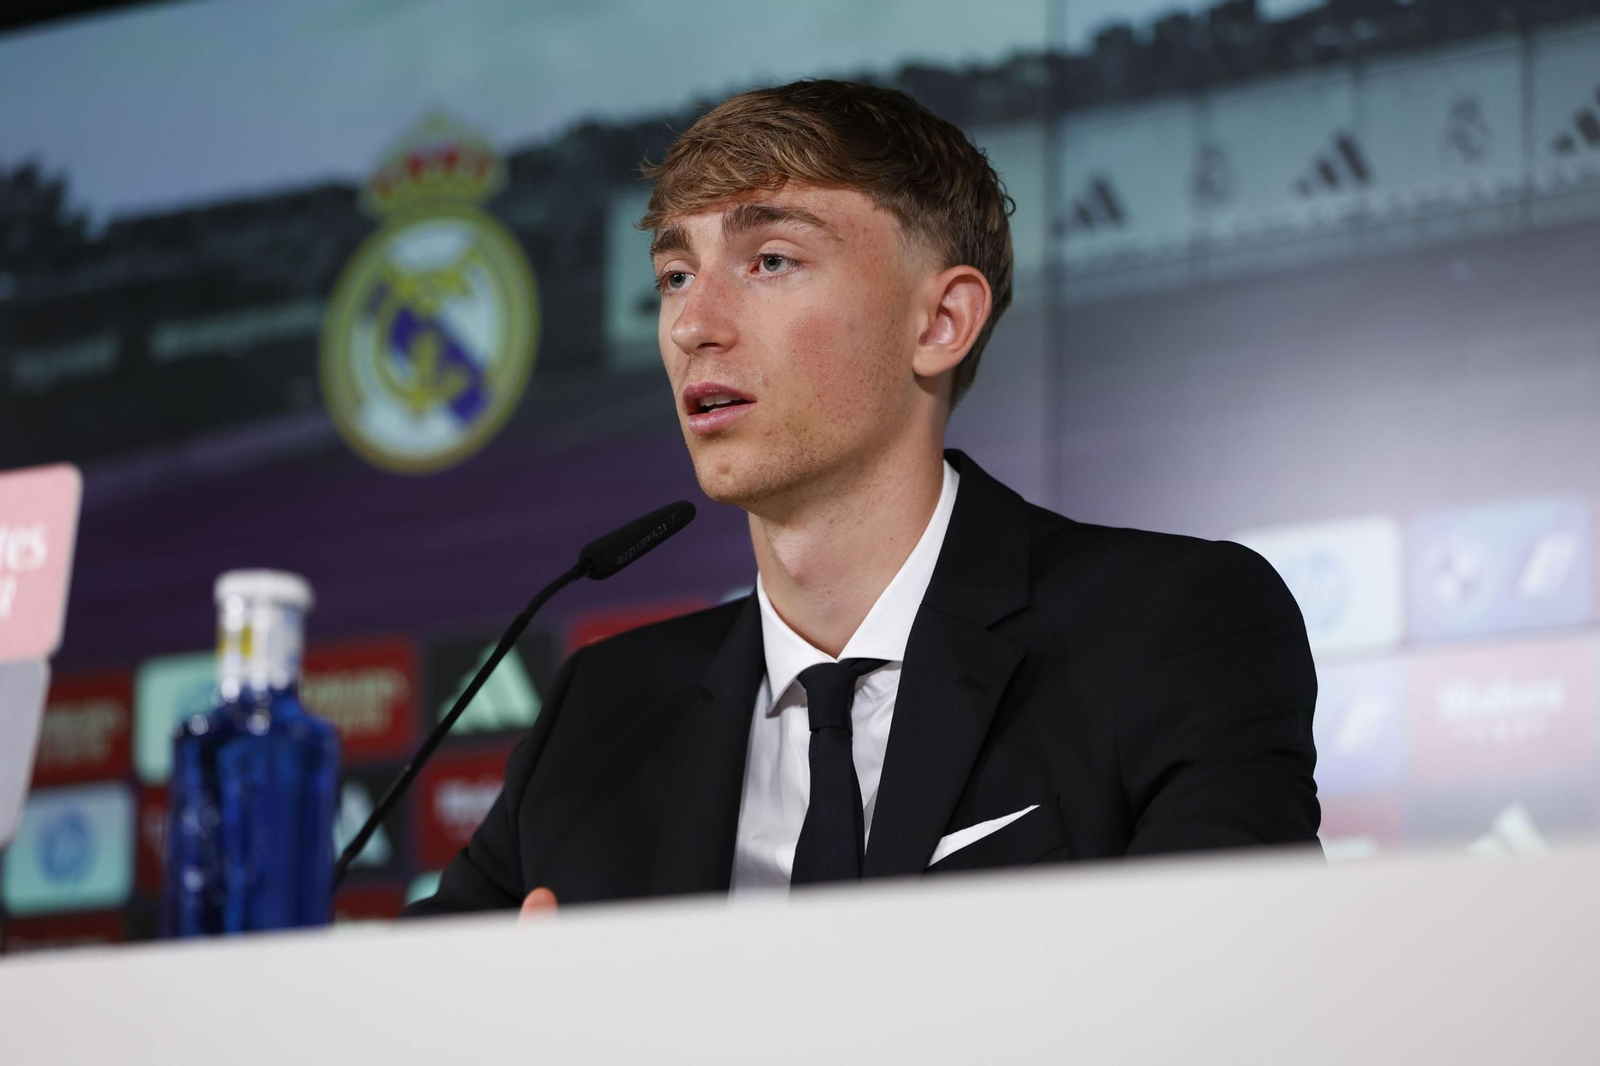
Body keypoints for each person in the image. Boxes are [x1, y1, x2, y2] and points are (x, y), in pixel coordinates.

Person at [403, 78, 1319, 919]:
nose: (691, 325)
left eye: (770, 260)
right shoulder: (602, 714)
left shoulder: (1172, 628)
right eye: (676, 276)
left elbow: (1229, 1013)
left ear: (941, 322)